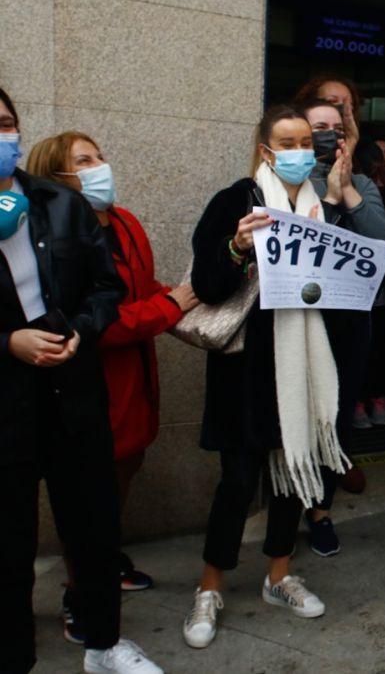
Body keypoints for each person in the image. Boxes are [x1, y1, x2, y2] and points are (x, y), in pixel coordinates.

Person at [182, 104, 385, 648]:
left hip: (307, 364)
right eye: (289, 141)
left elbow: (358, 277)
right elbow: (206, 282)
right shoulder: (237, 201)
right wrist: (237, 247)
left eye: (308, 140)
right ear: (266, 149)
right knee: (237, 481)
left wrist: (346, 198)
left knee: (295, 476)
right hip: (247, 369)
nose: (301, 150)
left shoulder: (325, 209)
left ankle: (278, 576)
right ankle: (209, 587)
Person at [0, 88, 163, 674]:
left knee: (93, 529)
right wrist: (8, 341)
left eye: (6, 123)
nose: (2, 136)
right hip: (7, 404)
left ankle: (103, 644)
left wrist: (81, 331)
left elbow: (105, 288)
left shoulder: (57, 203)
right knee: (10, 540)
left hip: (73, 393)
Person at [26, 130, 200, 640]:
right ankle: (80, 593)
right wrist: (170, 307)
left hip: (137, 385)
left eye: (100, 155)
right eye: (84, 160)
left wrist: (188, 298)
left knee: (121, 479)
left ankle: (106, 563)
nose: (100, 166)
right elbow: (96, 321)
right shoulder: (53, 235)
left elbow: (142, 289)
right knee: (88, 498)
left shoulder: (124, 221)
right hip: (90, 386)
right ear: (56, 177)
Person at [294, 96, 385, 556]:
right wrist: (327, 197)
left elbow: (380, 238)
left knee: (336, 418)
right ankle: (288, 499)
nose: (329, 134)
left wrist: (347, 188)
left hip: (350, 319)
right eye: (319, 126)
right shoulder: (287, 182)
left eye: (336, 126)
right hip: (298, 318)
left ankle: (320, 509)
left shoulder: (362, 184)